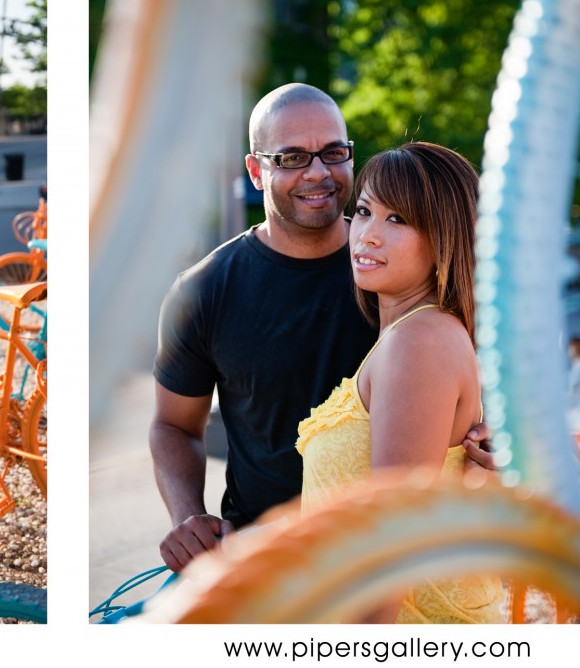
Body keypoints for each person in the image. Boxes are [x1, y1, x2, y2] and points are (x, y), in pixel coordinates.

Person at [151, 83, 493, 573]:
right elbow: (172, 425)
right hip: (257, 558)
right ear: (255, 170)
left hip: (376, 568)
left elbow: (469, 384)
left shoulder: (400, 269)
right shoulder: (202, 291)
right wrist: (188, 516)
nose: (318, 172)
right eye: (291, 157)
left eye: (334, 152)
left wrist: (491, 442)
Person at [296, 142, 504, 623]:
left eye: (398, 220)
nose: (366, 235)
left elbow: (390, 547)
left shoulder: (420, 342)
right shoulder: (412, 336)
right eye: (365, 211)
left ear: (443, 238)